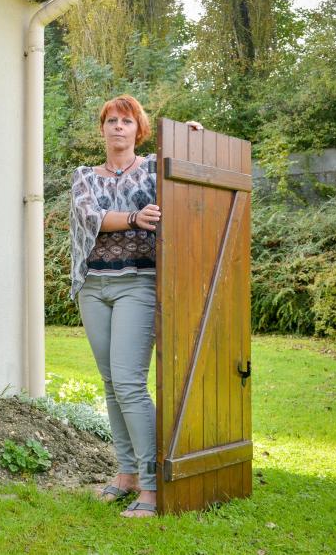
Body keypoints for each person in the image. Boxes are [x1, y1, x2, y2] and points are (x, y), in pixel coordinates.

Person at [68, 94, 200, 518]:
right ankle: (124, 473)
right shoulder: (85, 176)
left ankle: (151, 484)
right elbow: (90, 217)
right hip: (93, 286)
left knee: (128, 383)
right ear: (102, 128)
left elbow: (185, 180)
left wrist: (193, 140)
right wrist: (132, 217)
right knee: (110, 383)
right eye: (111, 120)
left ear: (138, 130)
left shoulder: (152, 170)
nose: (118, 127)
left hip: (137, 284)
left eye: (127, 121)